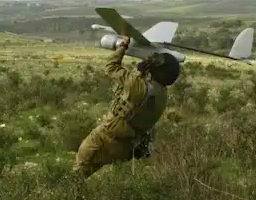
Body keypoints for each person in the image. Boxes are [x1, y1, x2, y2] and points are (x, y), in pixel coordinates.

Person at [74, 36, 181, 178]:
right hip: (125, 147)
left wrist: (123, 47)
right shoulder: (162, 95)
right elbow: (142, 95)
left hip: (105, 138)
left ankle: (69, 195)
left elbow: (110, 68)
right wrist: (142, 73)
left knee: (80, 168)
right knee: (91, 170)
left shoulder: (138, 86)